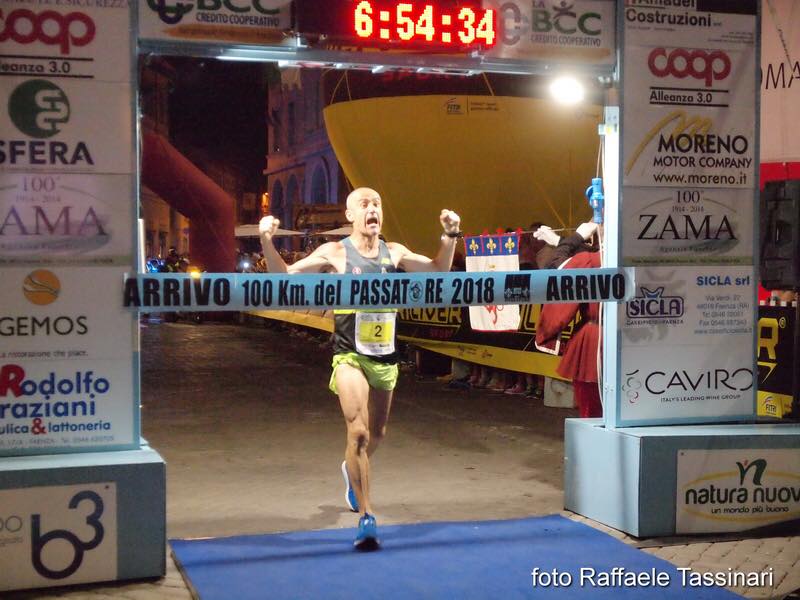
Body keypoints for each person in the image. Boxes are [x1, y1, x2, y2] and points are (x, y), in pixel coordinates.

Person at [259, 187, 461, 549]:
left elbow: (437, 270)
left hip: (384, 356)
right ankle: (367, 517)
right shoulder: (334, 253)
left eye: (377, 204)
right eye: (364, 205)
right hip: (349, 354)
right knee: (359, 434)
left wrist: (449, 236)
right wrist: (266, 240)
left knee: (377, 434)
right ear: (350, 216)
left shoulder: (393, 252)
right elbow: (284, 275)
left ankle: (349, 468)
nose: (373, 210)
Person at [534, 222, 603, 418]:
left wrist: (575, 237)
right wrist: (558, 240)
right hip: (634, 338)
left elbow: (555, 269)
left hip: (595, 340)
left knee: (592, 412)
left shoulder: (589, 261)